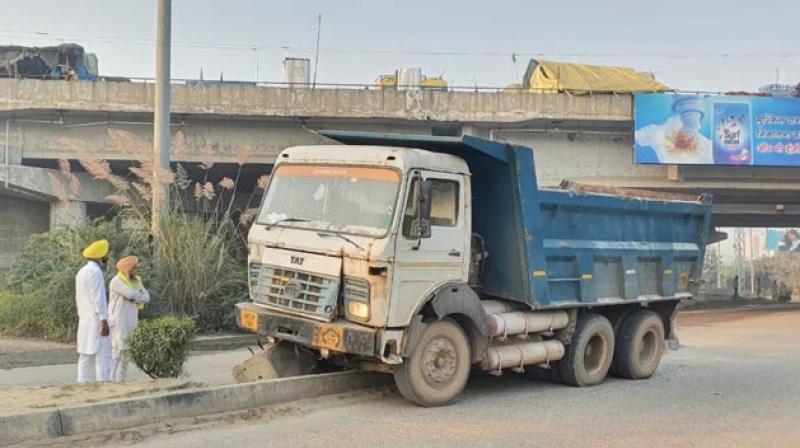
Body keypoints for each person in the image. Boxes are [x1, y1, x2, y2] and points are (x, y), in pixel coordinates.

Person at [108, 255, 150, 382]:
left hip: (131, 319)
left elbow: (147, 297)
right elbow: (130, 293)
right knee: (119, 351)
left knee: (128, 351)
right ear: (128, 269)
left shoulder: (136, 281)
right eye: (134, 267)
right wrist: (137, 295)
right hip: (119, 321)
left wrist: (135, 296)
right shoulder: (116, 281)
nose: (137, 270)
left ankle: (121, 380)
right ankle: (111, 380)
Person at [75, 239, 111, 383]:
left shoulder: (81, 272)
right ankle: (103, 383)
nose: (107, 257)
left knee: (85, 353)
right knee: (102, 353)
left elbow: (78, 297)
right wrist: (104, 320)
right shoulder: (96, 272)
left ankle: (83, 383)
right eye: (105, 255)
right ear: (100, 257)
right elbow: (98, 298)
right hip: (96, 319)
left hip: (84, 318)